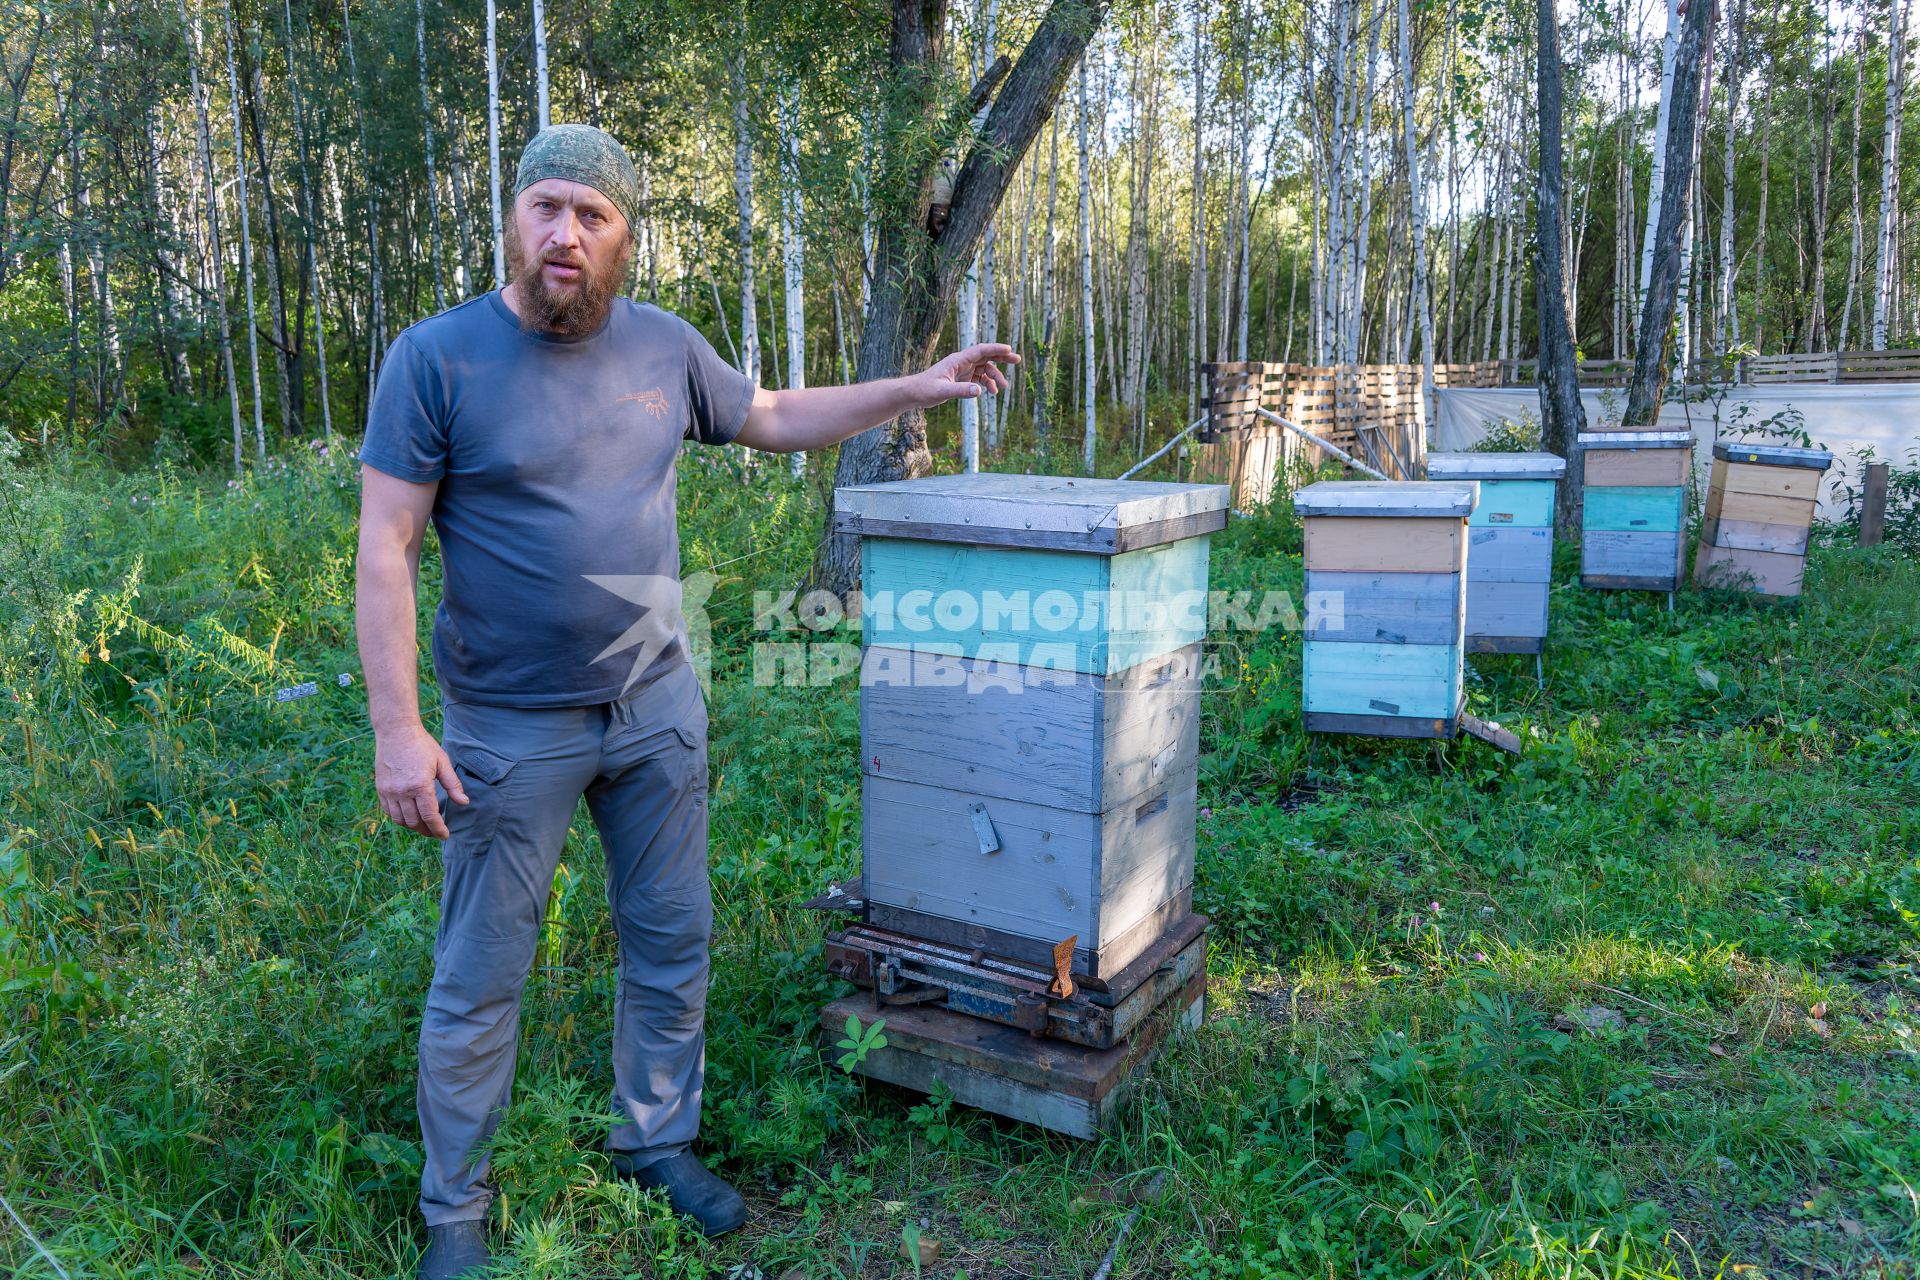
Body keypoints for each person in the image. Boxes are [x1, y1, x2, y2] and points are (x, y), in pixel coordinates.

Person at [354, 123, 1017, 1280]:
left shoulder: (664, 348)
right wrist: (399, 730)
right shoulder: (437, 357)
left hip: (657, 708)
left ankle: (654, 1139)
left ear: (624, 238)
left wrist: (916, 386)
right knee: (481, 970)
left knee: (672, 937)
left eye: (591, 216)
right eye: (545, 206)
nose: (564, 233)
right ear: (513, 215)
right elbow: (386, 546)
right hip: (509, 731)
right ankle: (454, 1209)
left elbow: (768, 415)